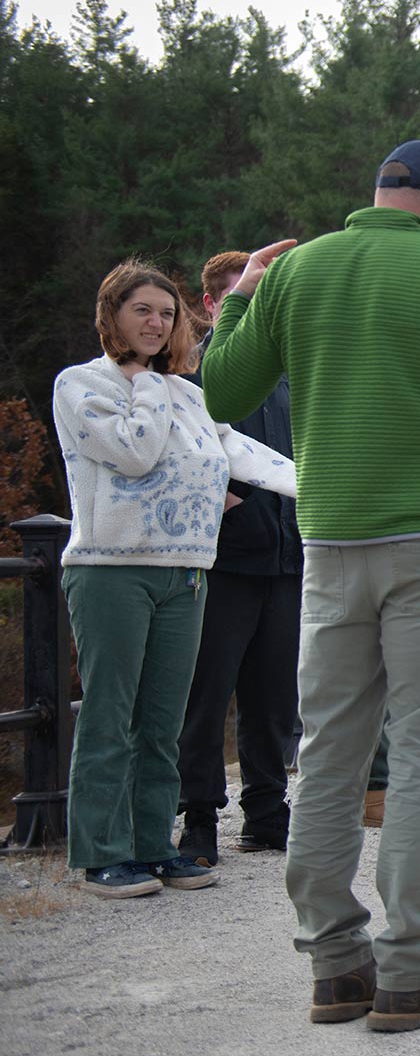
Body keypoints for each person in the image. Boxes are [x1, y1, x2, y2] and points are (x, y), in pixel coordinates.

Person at [202, 138, 420, 1031]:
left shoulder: (301, 272)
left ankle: (335, 963)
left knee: (330, 753)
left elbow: (221, 392)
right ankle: (413, 970)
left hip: (332, 544)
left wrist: (236, 302)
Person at [53, 261, 297, 899]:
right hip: (112, 568)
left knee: (164, 718)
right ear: (112, 316)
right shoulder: (81, 385)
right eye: (142, 311)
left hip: (185, 571)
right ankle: (103, 852)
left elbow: (240, 455)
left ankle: (154, 845)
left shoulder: (190, 393)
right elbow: (134, 450)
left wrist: (327, 488)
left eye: (167, 313)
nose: (157, 323)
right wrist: (152, 385)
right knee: (112, 712)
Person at [176, 251, 305, 865]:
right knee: (206, 695)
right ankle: (198, 816)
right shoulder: (191, 370)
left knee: (275, 697)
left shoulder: (290, 373)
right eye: (242, 299)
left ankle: (267, 812)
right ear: (213, 305)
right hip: (220, 561)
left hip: (286, 557)